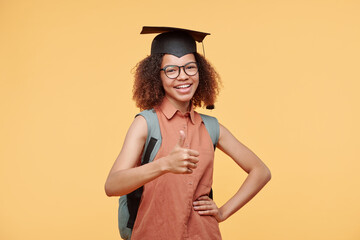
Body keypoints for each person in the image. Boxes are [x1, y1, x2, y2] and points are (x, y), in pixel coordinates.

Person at [105, 26, 271, 240]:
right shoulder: (146, 124)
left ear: (200, 72)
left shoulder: (211, 127)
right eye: (172, 70)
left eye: (190, 68)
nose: (183, 77)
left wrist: (223, 212)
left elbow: (261, 171)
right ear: (158, 76)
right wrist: (164, 164)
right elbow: (112, 185)